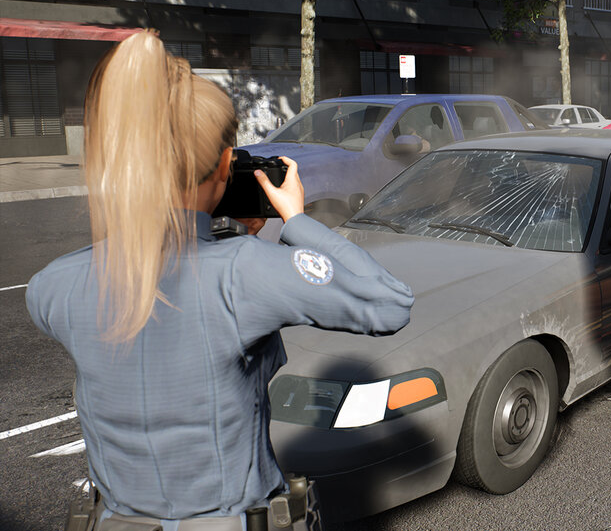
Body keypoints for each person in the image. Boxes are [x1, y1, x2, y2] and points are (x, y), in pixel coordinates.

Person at [25, 32, 414, 529]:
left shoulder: (52, 286)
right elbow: (388, 304)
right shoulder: (243, 271)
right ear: (227, 166)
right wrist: (296, 221)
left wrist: (220, 236)